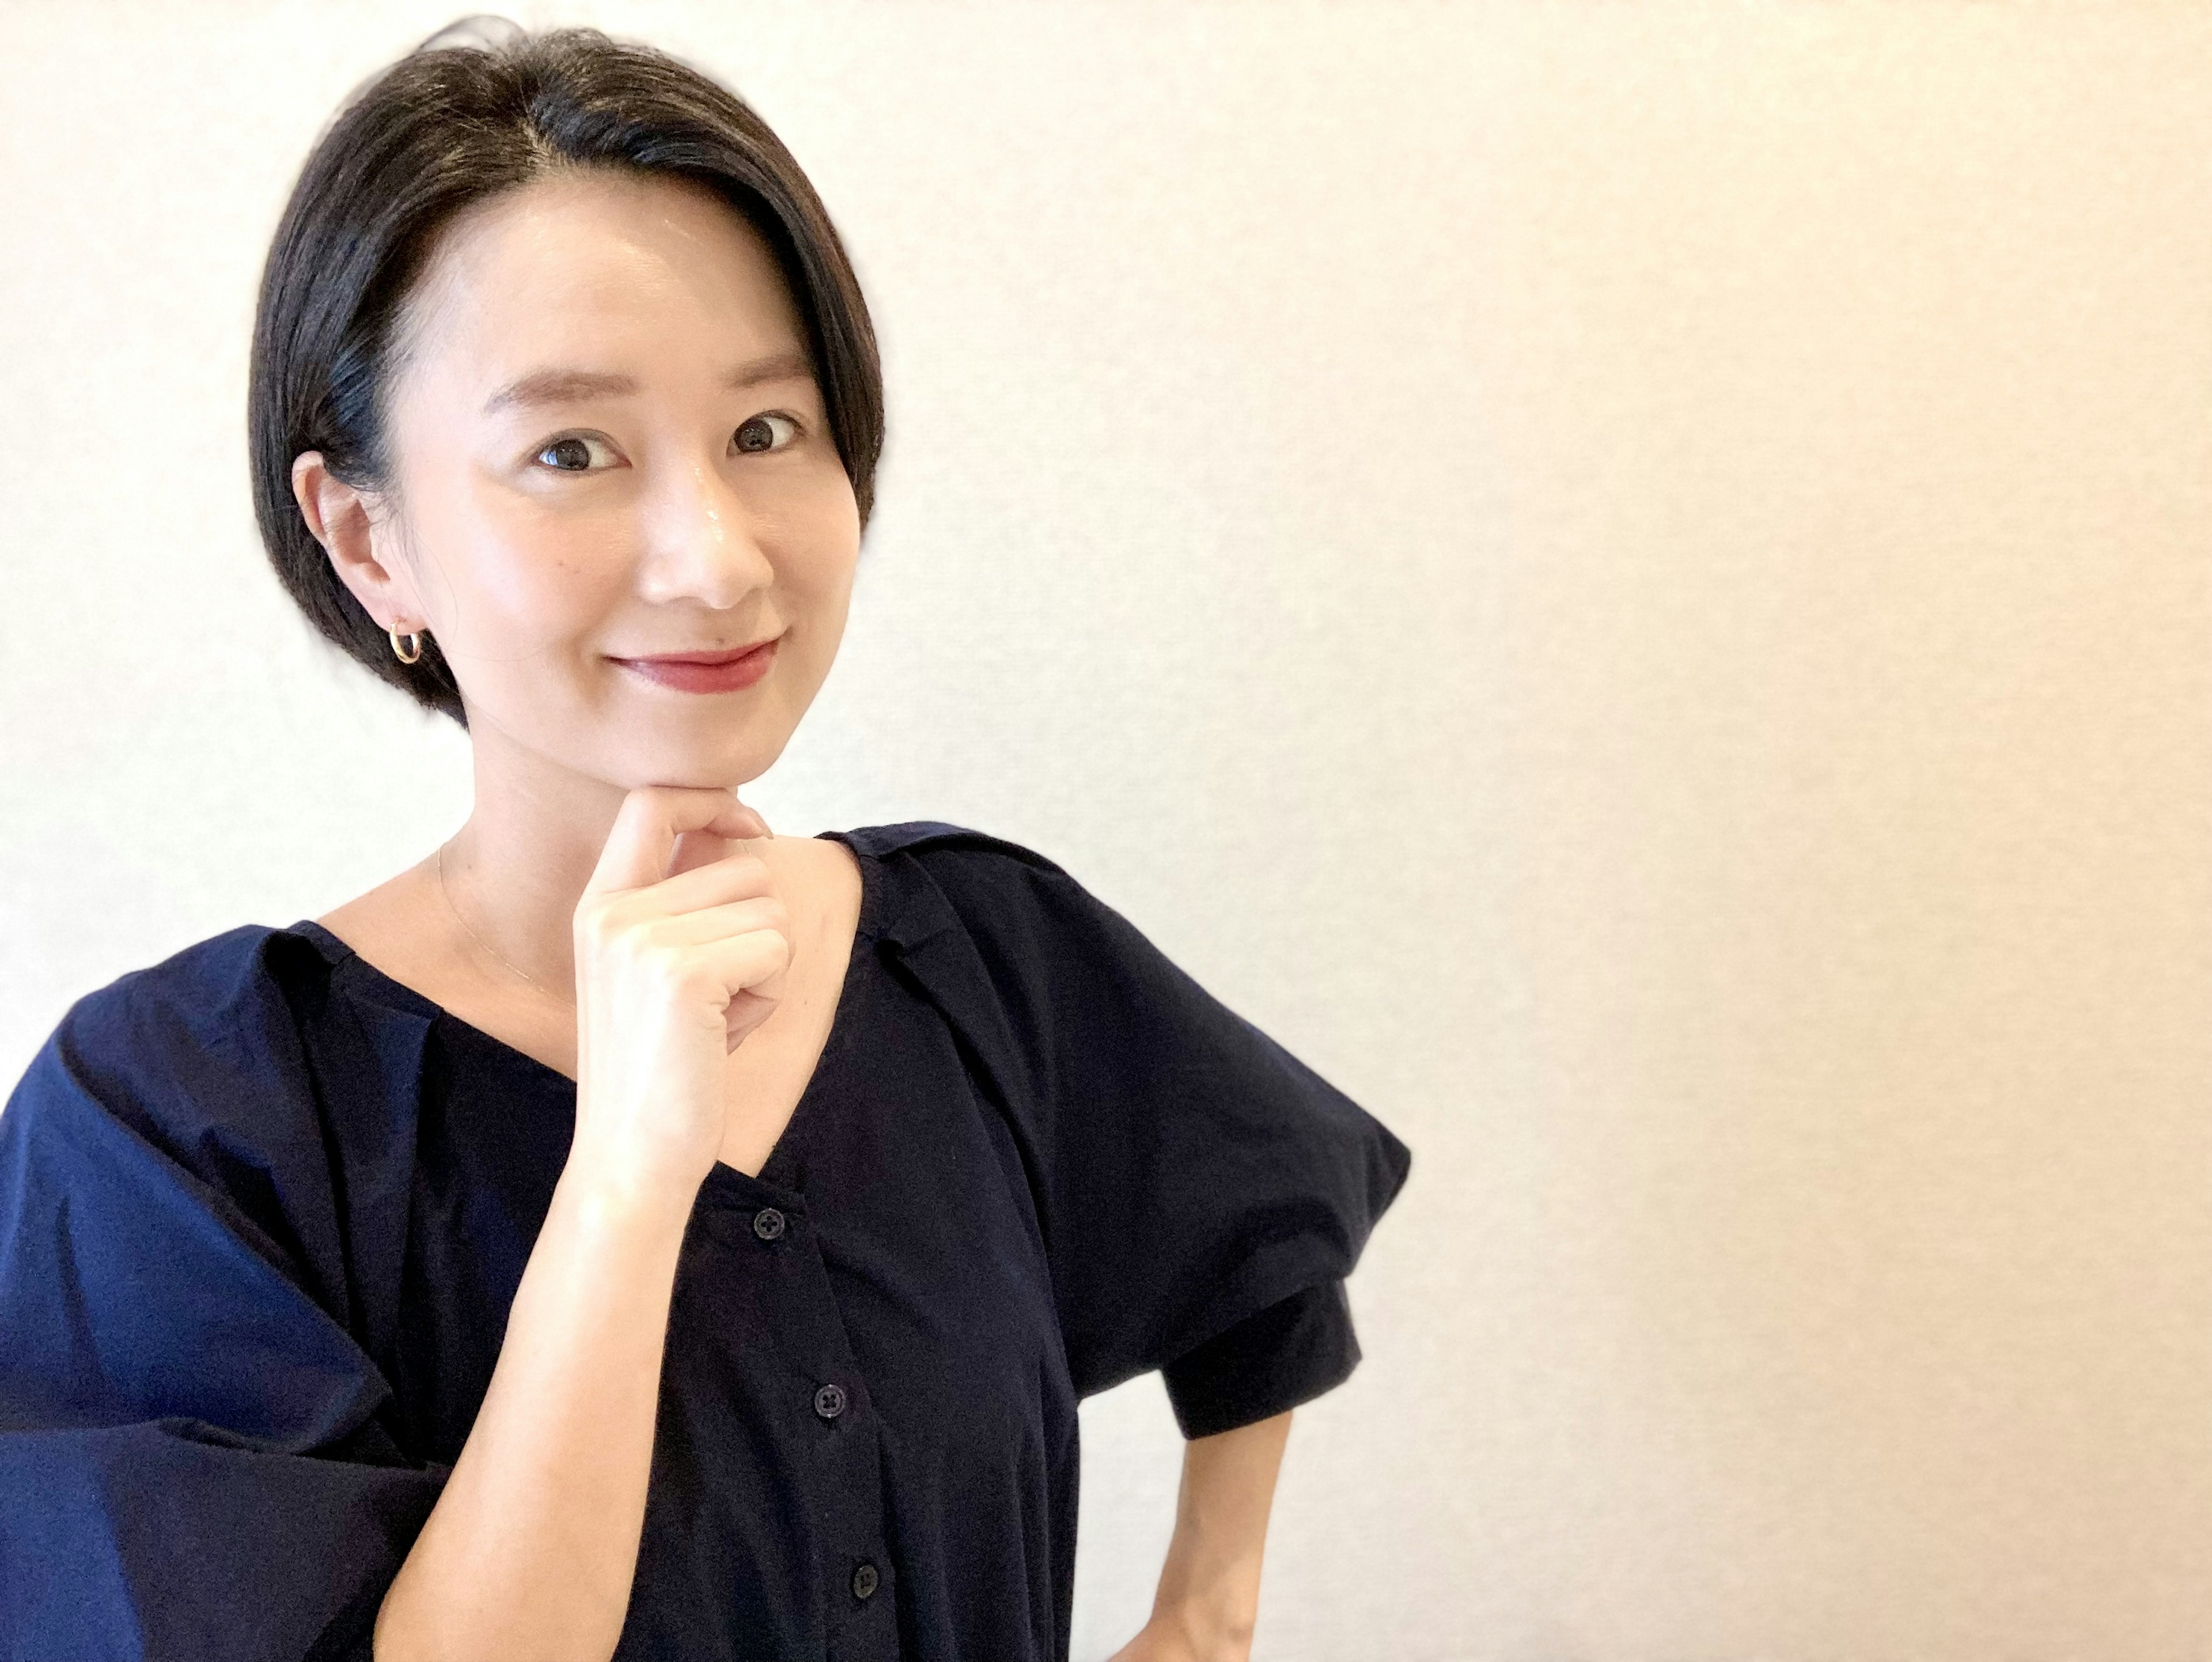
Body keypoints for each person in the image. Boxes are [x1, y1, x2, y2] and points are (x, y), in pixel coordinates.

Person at [0, 18, 1413, 1662]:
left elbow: (1262, 1243)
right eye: (572, 452)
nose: (717, 558)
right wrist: (628, 1171)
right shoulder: (179, 1128)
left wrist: (1209, 1610)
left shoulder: (983, 961)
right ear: (369, 537)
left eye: (765, 433)